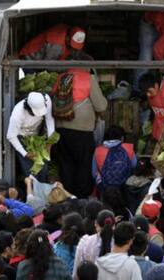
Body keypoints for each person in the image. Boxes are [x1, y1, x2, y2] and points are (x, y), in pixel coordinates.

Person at [52, 67, 107, 198]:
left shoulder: (61, 77)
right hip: (82, 131)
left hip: (61, 129)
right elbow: (101, 106)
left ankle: (67, 196)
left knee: (66, 165)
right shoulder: (88, 78)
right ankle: (81, 198)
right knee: (83, 166)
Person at [6, 91, 55, 182]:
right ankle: (32, 192)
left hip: (36, 137)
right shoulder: (18, 114)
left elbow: (49, 120)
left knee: (43, 166)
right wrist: (25, 153)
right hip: (22, 138)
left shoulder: (46, 99)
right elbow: (11, 136)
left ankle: (42, 189)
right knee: (31, 171)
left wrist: (50, 142)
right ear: (29, 109)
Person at [92, 125, 136, 192]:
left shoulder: (98, 150)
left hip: (105, 188)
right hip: (124, 187)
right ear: (122, 138)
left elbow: (94, 173)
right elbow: (134, 166)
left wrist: (100, 183)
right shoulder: (128, 148)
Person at [73, 210, 115, 278]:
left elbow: (76, 271)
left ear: (96, 223)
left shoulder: (85, 242)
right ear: (114, 226)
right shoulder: (119, 244)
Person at [19, 24, 86, 61]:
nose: (73, 49)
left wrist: (86, 59)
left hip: (46, 58)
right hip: (31, 60)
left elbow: (76, 52)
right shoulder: (56, 44)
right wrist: (68, 67)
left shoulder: (69, 31)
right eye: (72, 45)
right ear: (68, 38)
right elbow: (48, 65)